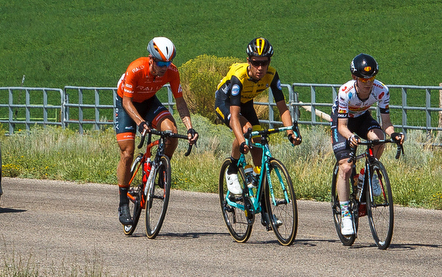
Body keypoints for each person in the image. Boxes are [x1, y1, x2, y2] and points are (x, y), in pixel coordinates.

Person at [115, 37, 199, 224]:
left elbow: (180, 101)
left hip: (149, 102)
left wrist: (190, 128)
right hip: (127, 105)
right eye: (160, 62)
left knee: (171, 132)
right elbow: (127, 102)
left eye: (167, 63)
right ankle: (122, 202)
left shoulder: (172, 71)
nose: (164, 67)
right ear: (151, 59)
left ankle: (161, 167)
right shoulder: (135, 69)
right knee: (127, 152)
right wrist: (140, 122)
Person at [215, 37, 302, 200]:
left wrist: (290, 131)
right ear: (249, 61)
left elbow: (282, 107)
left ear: (269, 61)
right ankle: (232, 170)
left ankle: (262, 202)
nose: (260, 67)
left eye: (264, 62)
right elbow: (234, 116)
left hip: (246, 102)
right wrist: (241, 141)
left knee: (259, 143)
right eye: (256, 63)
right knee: (246, 129)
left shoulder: (272, 74)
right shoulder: (238, 77)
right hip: (225, 102)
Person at [331, 53, 404, 238]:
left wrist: (394, 134)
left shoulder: (381, 90)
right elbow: (342, 126)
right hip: (343, 122)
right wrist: (349, 137)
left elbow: (386, 123)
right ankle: (346, 213)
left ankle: (368, 174)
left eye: (372, 78)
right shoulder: (345, 92)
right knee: (346, 167)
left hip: (363, 118)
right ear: (355, 78)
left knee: (379, 138)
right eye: (364, 79)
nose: (368, 82)